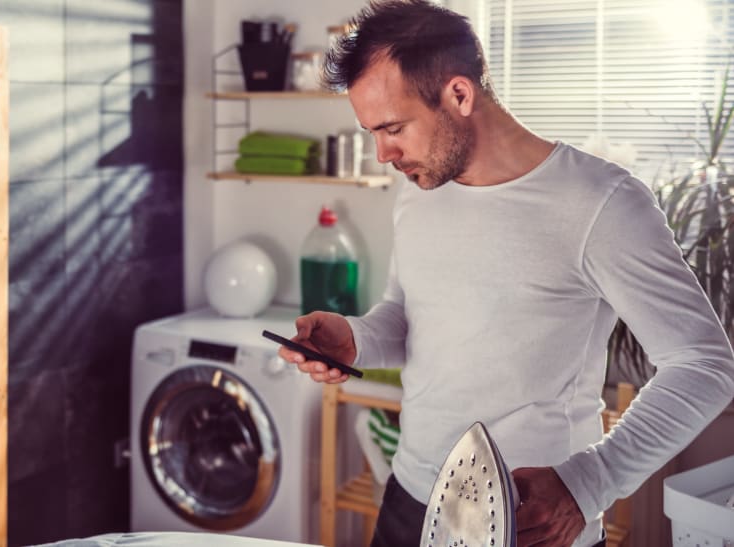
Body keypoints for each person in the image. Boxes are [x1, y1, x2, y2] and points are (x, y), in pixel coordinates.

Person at [276, 1, 734, 546]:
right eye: (372, 131)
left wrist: (589, 483)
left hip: (529, 520)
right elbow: (407, 314)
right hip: (409, 500)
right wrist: (355, 339)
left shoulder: (602, 203)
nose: (382, 154)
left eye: (393, 127)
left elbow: (704, 363)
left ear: (460, 94)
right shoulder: (419, 188)